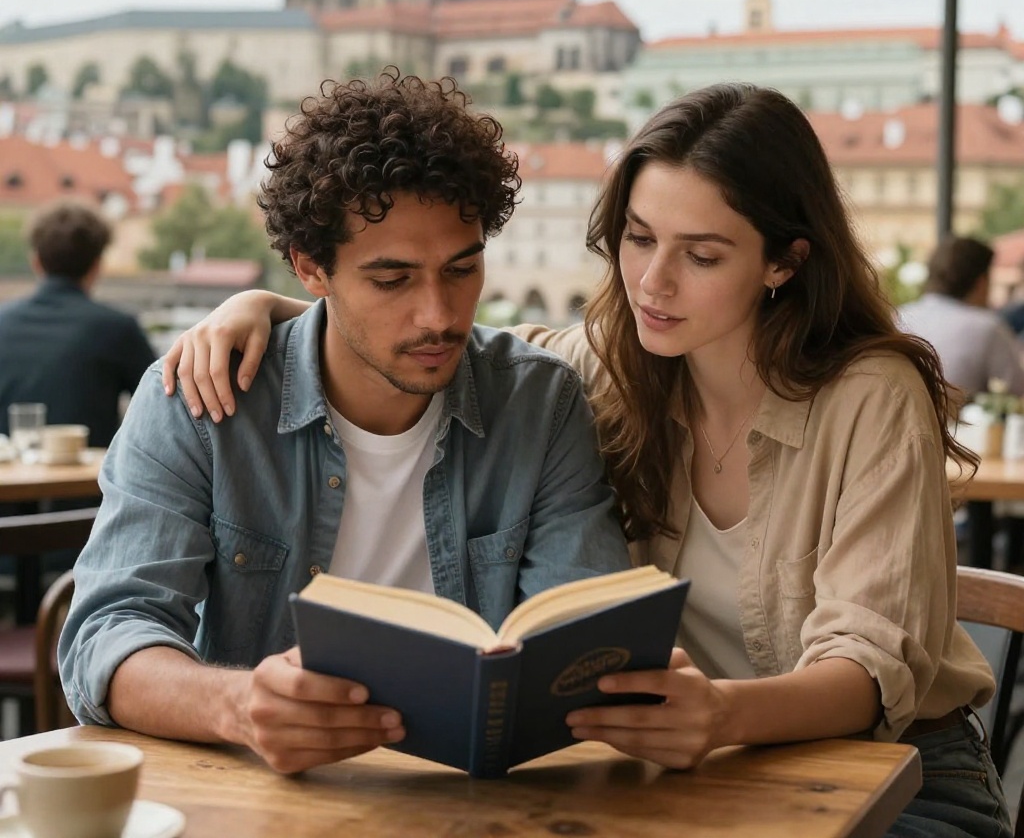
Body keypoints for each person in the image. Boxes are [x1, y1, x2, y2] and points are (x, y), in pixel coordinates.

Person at [168, 82, 1011, 836]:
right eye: (639, 239)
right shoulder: (609, 359)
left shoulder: (873, 394)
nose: (654, 282)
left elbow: (869, 672)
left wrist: (719, 715)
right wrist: (270, 307)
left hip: (896, 781)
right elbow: (445, 341)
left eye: (703, 255)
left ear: (785, 262)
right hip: (687, 780)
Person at [59, 69, 629, 775]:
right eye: (391, 280)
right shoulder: (198, 401)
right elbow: (106, 636)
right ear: (310, 269)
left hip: (481, 803)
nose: (440, 316)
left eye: (462, 269)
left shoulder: (540, 405)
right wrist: (239, 705)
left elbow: (580, 639)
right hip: (260, 802)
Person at [0, 199, 156, 448]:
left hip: (9, 482)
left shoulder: (2, 322)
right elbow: (159, 405)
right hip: (87, 483)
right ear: (97, 266)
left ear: (36, 262)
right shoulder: (118, 329)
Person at [899, 235, 1024, 400]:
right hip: (958, 423)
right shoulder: (987, 327)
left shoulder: (898, 316)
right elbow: (1016, 390)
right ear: (981, 283)